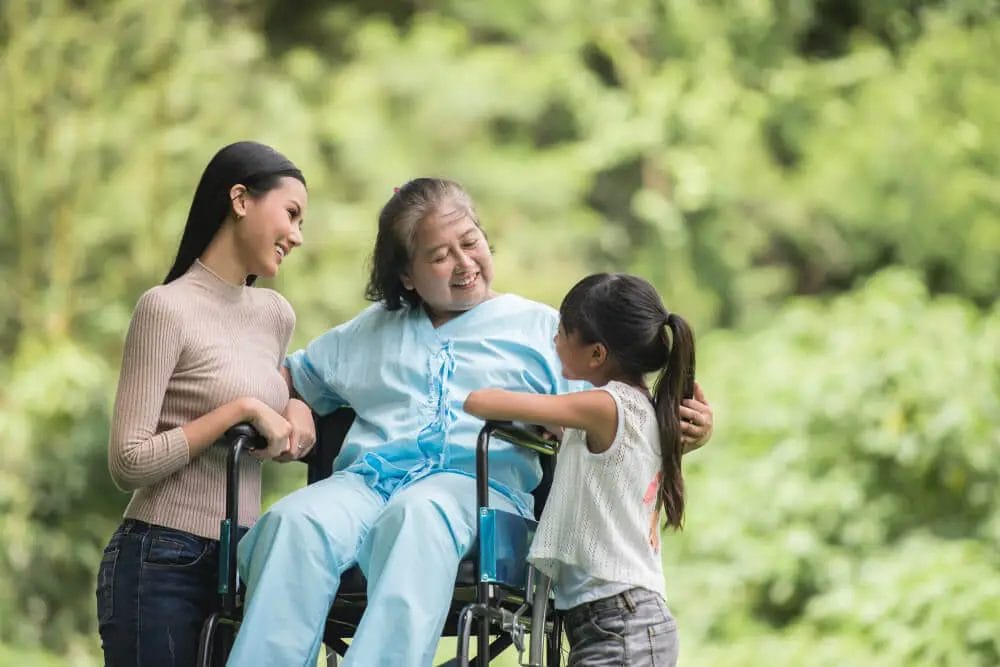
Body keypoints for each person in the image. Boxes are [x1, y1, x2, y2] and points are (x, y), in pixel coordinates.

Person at [227, 178, 714, 667]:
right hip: (367, 484)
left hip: (477, 492)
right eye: (439, 256)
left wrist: (687, 430)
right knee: (295, 522)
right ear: (407, 276)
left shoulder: (547, 331)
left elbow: (620, 421)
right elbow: (291, 377)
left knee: (419, 514)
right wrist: (293, 406)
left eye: (471, 241)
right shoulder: (370, 330)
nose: (463, 263)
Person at [96, 141, 312, 667]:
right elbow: (128, 461)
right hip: (160, 560)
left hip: (241, 561)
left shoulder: (275, 315)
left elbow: (279, 384)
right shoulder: (165, 308)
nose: (298, 236)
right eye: (291, 214)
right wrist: (237, 411)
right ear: (240, 199)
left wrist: (299, 408)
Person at [465, 272, 703, 666]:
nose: (555, 341)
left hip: (618, 623)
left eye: (562, 331)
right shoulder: (642, 408)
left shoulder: (602, 406)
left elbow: (481, 402)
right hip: (625, 619)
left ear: (597, 354)